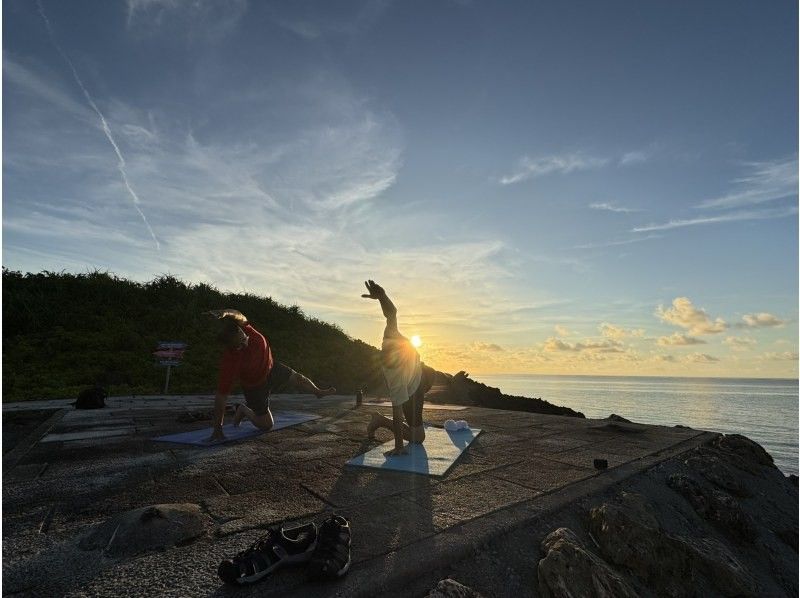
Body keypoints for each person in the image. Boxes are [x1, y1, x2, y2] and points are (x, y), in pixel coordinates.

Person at [206, 309, 335, 442]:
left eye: (244, 339)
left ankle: (318, 392)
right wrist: (217, 429)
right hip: (255, 387)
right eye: (240, 345)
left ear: (242, 330)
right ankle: (243, 409)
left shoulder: (246, 327)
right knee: (267, 425)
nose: (246, 344)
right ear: (230, 348)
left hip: (271, 368)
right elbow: (221, 396)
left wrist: (226, 313)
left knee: (298, 378)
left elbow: (239, 315)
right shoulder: (230, 361)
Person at [361, 280, 436, 455]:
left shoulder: (390, 336)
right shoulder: (395, 379)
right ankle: (379, 420)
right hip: (413, 388)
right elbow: (397, 414)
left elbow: (391, 313)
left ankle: (383, 419)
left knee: (432, 374)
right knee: (418, 438)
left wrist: (382, 296)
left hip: (423, 371)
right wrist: (399, 447)